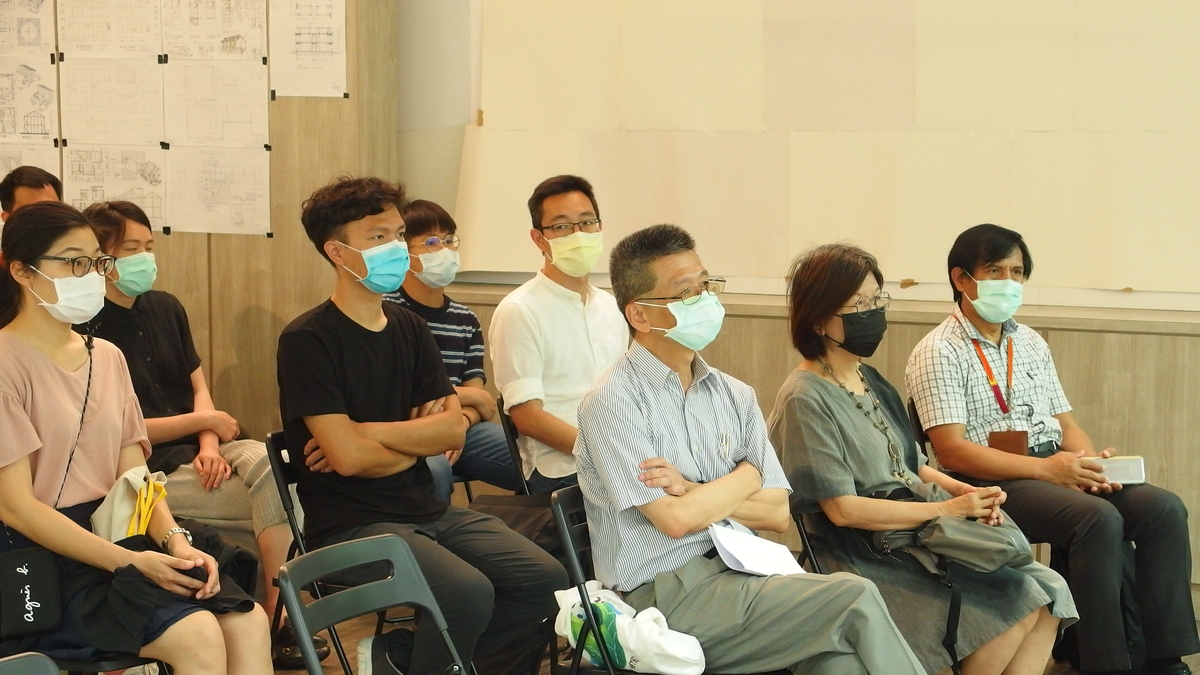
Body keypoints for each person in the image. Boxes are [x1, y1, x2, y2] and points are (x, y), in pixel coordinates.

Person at [576, 223, 927, 675]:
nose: (704, 299)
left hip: (743, 569)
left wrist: (694, 487)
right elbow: (676, 520)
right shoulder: (613, 401)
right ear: (640, 316)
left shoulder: (733, 394)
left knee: (840, 662)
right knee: (853, 595)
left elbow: (778, 514)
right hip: (661, 597)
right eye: (685, 292)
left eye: (706, 285)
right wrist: (747, 476)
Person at [276, 176, 567, 675]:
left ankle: (429, 663)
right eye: (377, 237)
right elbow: (346, 460)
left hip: (427, 510)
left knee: (544, 577)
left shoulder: (409, 328)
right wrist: (399, 441)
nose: (394, 246)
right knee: (466, 591)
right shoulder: (308, 339)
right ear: (338, 252)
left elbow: (451, 433)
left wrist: (363, 431)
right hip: (350, 526)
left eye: (396, 233)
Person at [767, 243, 1075, 675]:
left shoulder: (868, 378)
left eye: (877, 300)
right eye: (858, 304)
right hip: (869, 552)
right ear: (818, 319)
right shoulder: (805, 397)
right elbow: (841, 510)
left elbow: (911, 464)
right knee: (1018, 604)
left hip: (921, 532)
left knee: (1050, 592)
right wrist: (948, 508)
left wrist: (966, 492)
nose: (872, 313)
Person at [905, 224, 1198, 675]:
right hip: (992, 481)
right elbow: (953, 450)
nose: (1010, 282)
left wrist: (1087, 462)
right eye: (996, 270)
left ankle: (1165, 659)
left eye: (1018, 271)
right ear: (962, 279)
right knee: (1097, 519)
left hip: (1052, 467)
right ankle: (1106, 663)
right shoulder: (939, 350)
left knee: (1163, 509)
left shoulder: (1030, 342)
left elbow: (1066, 425)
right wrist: (1049, 472)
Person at [0, 201, 271, 675]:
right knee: (198, 633)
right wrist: (129, 560)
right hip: (44, 556)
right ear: (23, 272)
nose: (91, 275)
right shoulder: (6, 362)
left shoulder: (106, 356)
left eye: (96, 262)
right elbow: (16, 507)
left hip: (121, 531)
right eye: (73, 261)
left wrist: (174, 540)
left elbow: (133, 474)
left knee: (248, 622)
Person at [74, 200, 319, 666]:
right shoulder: (87, 326)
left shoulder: (166, 306)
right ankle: (281, 616)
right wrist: (203, 425)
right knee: (267, 510)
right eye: (131, 249)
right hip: (149, 467)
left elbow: (198, 387)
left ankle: (274, 611)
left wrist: (209, 443)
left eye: (149, 246)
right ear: (101, 259)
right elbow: (115, 431)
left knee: (278, 465)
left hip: (204, 451)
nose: (144, 257)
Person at [489, 175, 627, 494]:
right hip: (564, 473)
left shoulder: (612, 308)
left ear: (599, 228)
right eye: (562, 227)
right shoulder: (520, 310)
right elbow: (528, 418)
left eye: (586, 223)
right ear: (539, 239)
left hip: (621, 460)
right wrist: (603, 455)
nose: (578, 234)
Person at [383, 199, 520, 494]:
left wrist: (459, 422)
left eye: (449, 240)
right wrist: (465, 401)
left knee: (531, 458)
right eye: (431, 242)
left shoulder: (466, 319)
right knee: (434, 469)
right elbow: (405, 395)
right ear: (404, 253)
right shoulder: (387, 312)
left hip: (463, 428)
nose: (443, 250)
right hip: (409, 431)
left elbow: (481, 401)